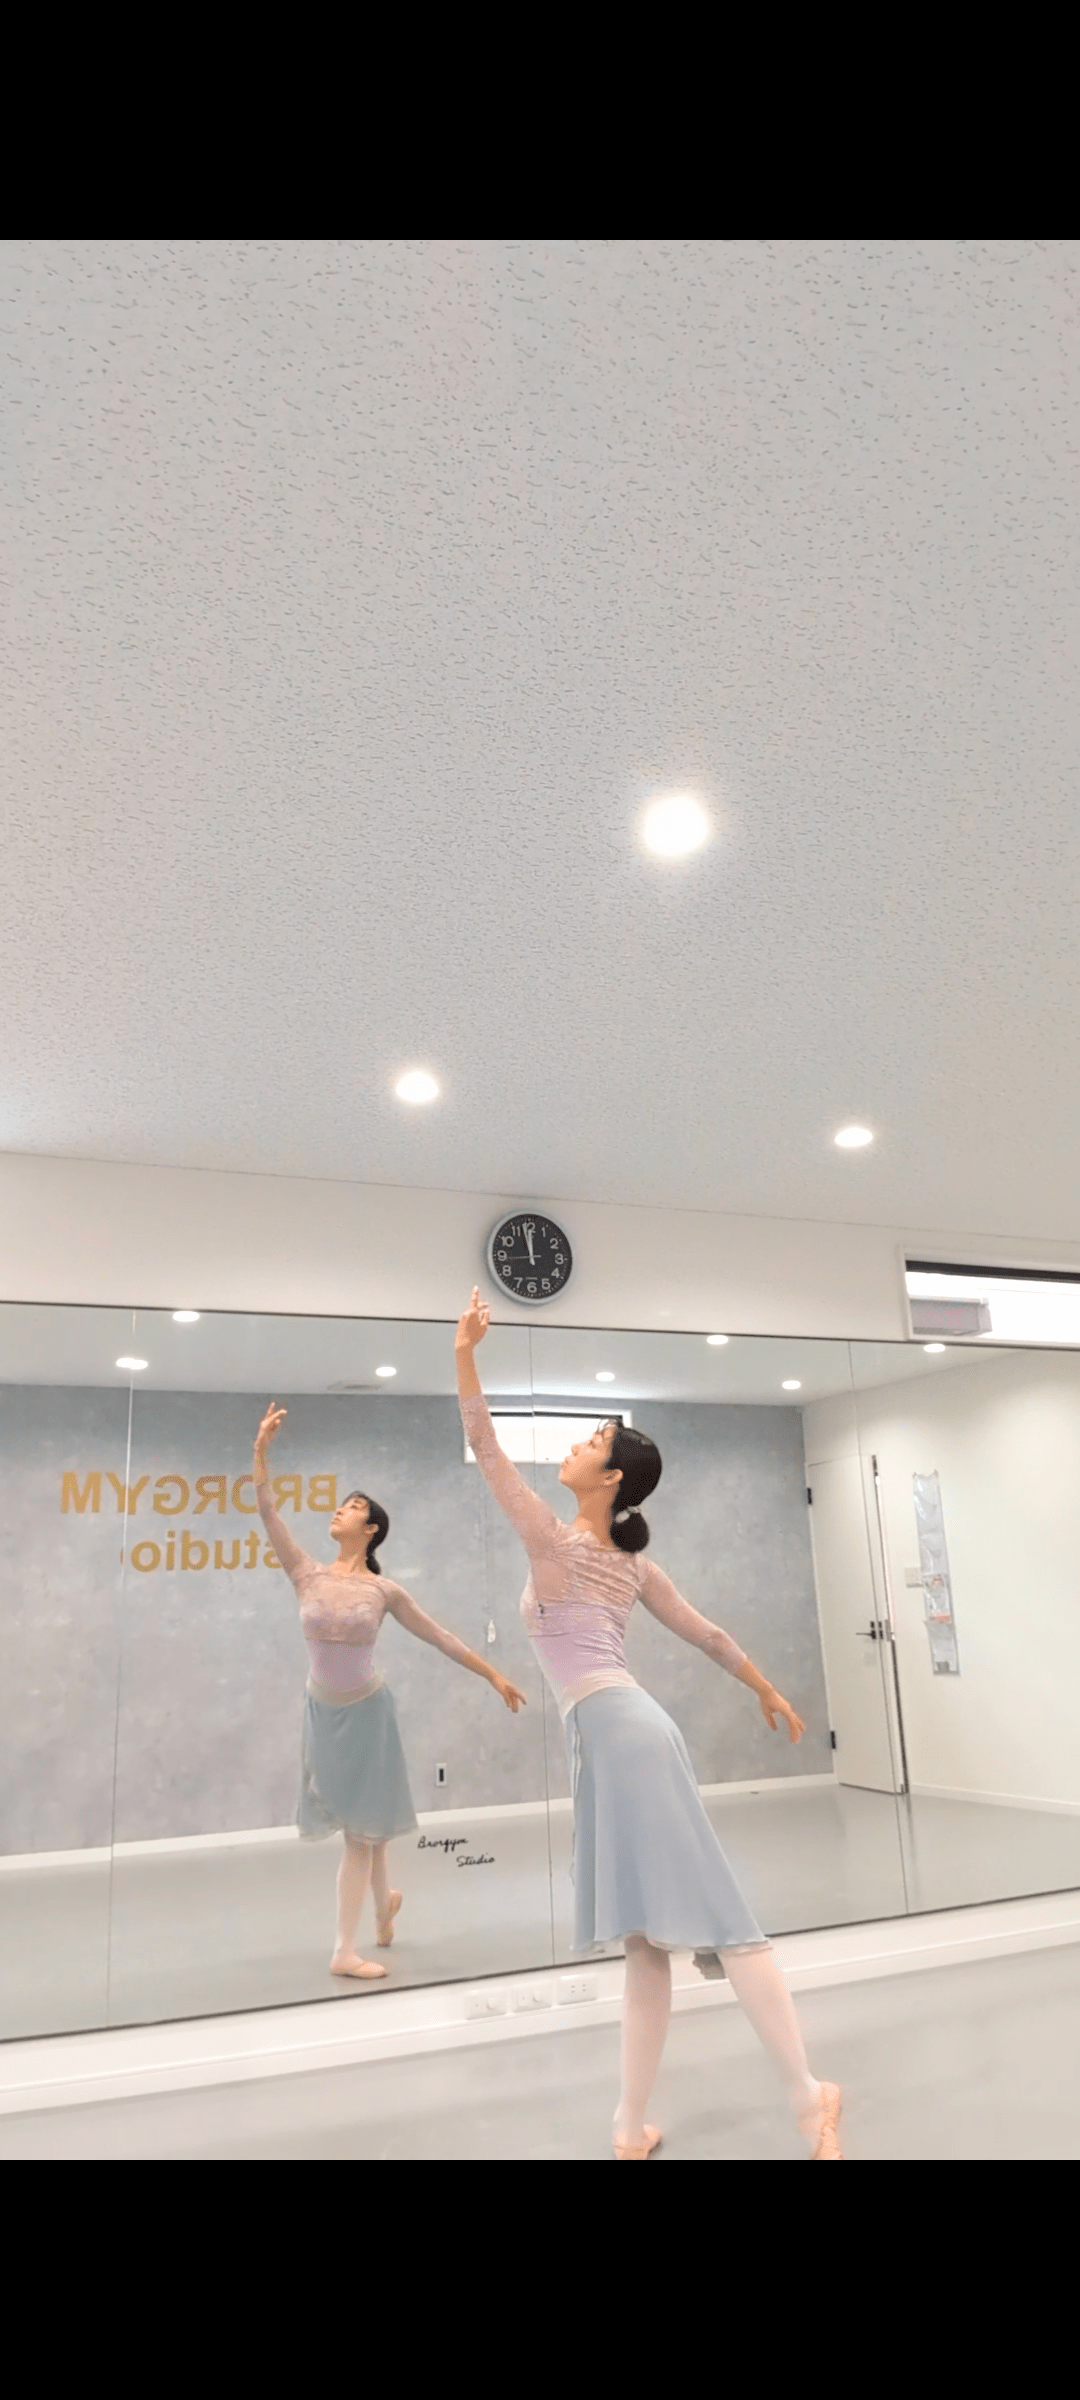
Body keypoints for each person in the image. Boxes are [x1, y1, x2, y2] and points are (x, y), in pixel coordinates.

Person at [455, 1292, 842, 2160]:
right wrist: (766, 1689)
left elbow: (485, 1446)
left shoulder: (561, 1544)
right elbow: (710, 1635)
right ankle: (629, 2126)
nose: (574, 1446)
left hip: (624, 1733)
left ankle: (809, 2099)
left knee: (723, 1921)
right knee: (643, 1943)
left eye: (591, 1441)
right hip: (610, 1736)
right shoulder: (622, 1561)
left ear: (613, 1479)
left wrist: (465, 1356)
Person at [254, 1401, 526, 1981]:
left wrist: (493, 1674)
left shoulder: (384, 1591)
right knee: (364, 1823)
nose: (340, 1510)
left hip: (369, 1714)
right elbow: (267, 1509)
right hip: (322, 1713)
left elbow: (440, 1636)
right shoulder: (305, 1571)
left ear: (371, 1528)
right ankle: (384, 1907)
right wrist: (261, 1453)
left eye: (353, 1507)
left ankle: (343, 1950)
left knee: (362, 1831)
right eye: (340, 1504)